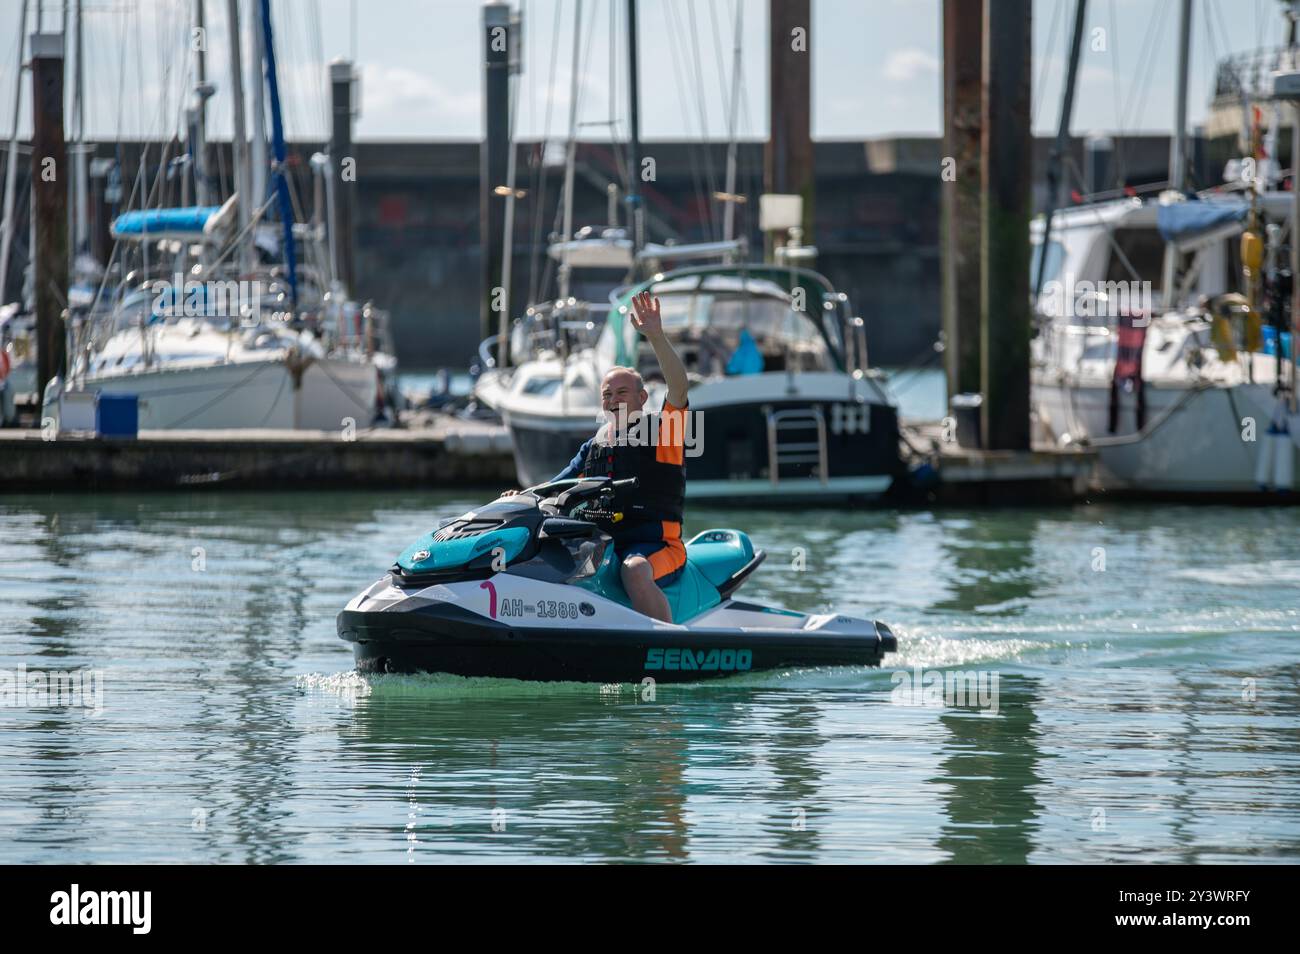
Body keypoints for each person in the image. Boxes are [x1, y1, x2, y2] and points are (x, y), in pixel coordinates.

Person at [508, 291, 690, 622]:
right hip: (604, 541)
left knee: (634, 571)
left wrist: (656, 337)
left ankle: (665, 642)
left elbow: (678, 388)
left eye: (622, 392)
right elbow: (554, 486)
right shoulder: (595, 445)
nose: (613, 400)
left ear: (642, 397)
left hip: (657, 547)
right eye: (607, 394)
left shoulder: (665, 433)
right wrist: (520, 497)